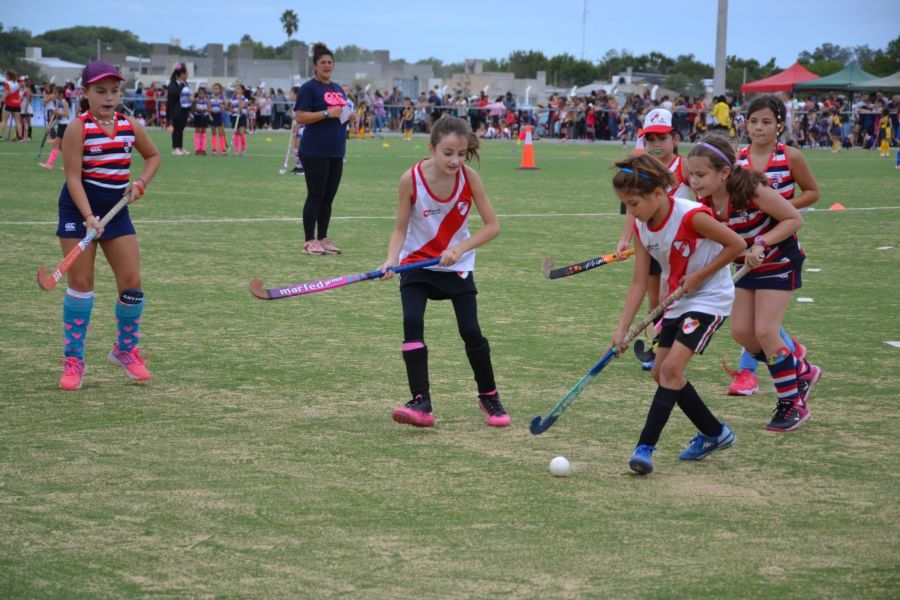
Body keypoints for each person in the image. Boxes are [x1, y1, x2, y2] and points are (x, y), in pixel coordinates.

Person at [611, 153, 745, 475]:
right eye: (625, 205)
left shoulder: (691, 216)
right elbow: (640, 281)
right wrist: (622, 329)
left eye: (633, 204)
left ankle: (645, 447)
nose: (630, 213)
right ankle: (714, 432)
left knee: (670, 370)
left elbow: (736, 244)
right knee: (661, 373)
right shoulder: (643, 228)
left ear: (658, 194)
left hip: (711, 296)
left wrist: (702, 275)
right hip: (679, 298)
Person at [379, 115, 507, 428]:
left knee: (470, 330)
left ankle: (488, 395)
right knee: (411, 322)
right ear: (432, 148)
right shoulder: (410, 179)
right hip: (416, 262)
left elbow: (493, 227)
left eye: (461, 154)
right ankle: (421, 402)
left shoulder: (470, 178)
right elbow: (400, 227)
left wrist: (459, 249)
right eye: (448, 153)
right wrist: (390, 260)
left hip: (456, 265)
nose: (455, 160)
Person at [688, 136, 811, 432]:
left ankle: (792, 403)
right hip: (746, 267)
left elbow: (793, 219)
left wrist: (761, 243)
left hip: (779, 261)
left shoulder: (751, 190)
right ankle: (800, 370)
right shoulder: (704, 201)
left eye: (701, 175)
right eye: (691, 174)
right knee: (743, 333)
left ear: (724, 173)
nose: (694, 181)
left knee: (766, 331)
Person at [54, 60, 160, 391]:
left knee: (132, 284)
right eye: (100, 91)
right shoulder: (78, 128)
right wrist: (87, 216)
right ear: (85, 93)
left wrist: (141, 183)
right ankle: (74, 359)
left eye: (114, 91)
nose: (108, 97)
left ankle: (125, 350)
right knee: (81, 283)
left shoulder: (129, 125)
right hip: (78, 209)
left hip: (116, 210)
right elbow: (72, 176)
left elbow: (153, 156)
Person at [725, 95, 821, 397]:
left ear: (779, 124)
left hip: (779, 248)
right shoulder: (737, 160)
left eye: (766, 122)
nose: (758, 127)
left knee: (764, 327)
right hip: (746, 253)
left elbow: (813, 192)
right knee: (744, 330)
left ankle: (771, 385)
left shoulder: (790, 156)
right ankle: (794, 360)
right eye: (753, 121)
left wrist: (782, 206)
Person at [616, 109, 692, 370]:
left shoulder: (685, 166)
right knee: (653, 301)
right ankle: (660, 343)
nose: (656, 145)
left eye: (662, 138)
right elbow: (632, 207)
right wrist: (625, 238)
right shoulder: (642, 168)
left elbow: (702, 196)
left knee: (665, 296)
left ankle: (665, 346)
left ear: (676, 139)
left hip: (678, 242)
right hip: (651, 240)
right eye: (650, 139)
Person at [294, 42, 357, 255]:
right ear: (315, 66)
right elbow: (300, 117)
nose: (327, 65)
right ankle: (309, 240)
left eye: (330, 62)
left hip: (336, 150)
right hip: (314, 151)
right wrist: (325, 114)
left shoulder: (337, 88)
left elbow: (340, 115)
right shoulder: (308, 88)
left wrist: (349, 117)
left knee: (328, 197)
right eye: (323, 62)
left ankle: (323, 237)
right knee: (315, 195)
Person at [39, 87, 71, 170]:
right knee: (61, 147)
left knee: (56, 145)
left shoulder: (64, 103)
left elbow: (67, 115)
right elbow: (56, 117)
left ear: (60, 94)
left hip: (65, 126)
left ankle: (49, 164)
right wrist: (50, 127)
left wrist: (57, 112)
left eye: (56, 93)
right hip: (61, 125)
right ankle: (67, 165)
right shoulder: (59, 102)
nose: (54, 94)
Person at [166, 64, 190, 155]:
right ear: (181, 74)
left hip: (185, 109)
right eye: (186, 73)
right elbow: (174, 95)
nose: (187, 75)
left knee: (181, 129)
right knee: (176, 129)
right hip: (176, 110)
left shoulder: (185, 83)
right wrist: (180, 86)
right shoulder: (173, 84)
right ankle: (174, 148)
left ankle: (180, 147)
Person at [209, 83, 229, 155]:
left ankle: (223, 150)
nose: (216, 90)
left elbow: (227, 107)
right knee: (214, 133)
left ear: (220, 90)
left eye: (217, 88)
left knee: (221, 133)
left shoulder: (222, 97)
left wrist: (223, 106)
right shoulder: (210, 97)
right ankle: (214, 150)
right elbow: (208, 107)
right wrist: (209, 115)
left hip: (219, 115)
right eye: (214, 88)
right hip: (212, 116)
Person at [191, 86, 210, 155]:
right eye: (199, 93)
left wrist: (205, 110)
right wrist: (200, 110)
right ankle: (197, 149)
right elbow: (193, 108)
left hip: (204, 117)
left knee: (203, 133)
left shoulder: (206, 100)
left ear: (205, 94)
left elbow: (210, 109)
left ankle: (203, 149)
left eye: (202, 93)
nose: (200, 95)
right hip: (197, 117)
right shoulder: (195, 100)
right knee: (198, 133)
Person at [231, 84, 250, 155]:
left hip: (242, 116)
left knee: (241, 132)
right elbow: (230, 108)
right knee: (236, 133)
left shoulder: (245, 99)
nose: (237, 90)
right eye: (236, 89)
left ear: (242, 90)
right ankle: (237, 150)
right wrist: (233, 111)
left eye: (238, 89)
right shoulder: (233, 99)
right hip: (234, 116)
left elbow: (241, 107)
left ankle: (244, 149)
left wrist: (239, 100)